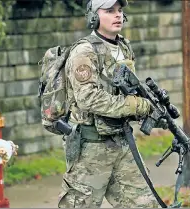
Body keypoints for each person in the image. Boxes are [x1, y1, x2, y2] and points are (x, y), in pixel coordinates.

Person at [57, 0, 159, 207]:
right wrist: (132, 105)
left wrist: (145, 107)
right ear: (94, 16)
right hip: (91, 148)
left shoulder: (123, 46)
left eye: (120, 10)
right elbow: (88, 99)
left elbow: (128, 89)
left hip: (122, 143)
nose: (118, 15)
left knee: (145, 204)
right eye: (110, 11)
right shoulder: (84, 51)